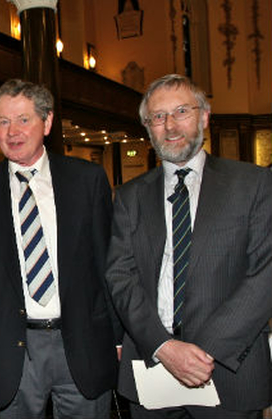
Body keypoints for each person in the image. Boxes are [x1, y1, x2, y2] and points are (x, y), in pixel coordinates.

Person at [105, 73, 272, 419]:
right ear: (147, 128)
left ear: (205, 116)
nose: (170, 125)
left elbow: (264, 276)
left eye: (182, 111)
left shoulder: (253, 184)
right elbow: (120, 275)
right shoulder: (130, 196)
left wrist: (201, 353)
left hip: (227, 369)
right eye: (158, 117)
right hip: (153, 370)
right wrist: (164, 347)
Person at [0, 79, 121, 418]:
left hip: (83, 343)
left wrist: (118, 339)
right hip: (11, 352)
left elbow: (109, 265)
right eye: (3, 122)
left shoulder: (88, 180)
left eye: (23, 119)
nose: (12, 131)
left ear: (46, 123)